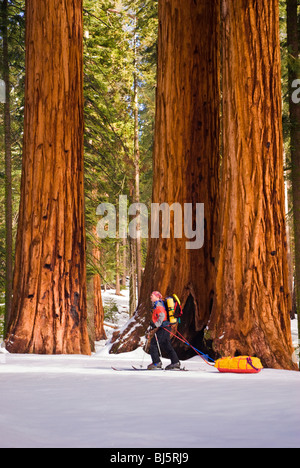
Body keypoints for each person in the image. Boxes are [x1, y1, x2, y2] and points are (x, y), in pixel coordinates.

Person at [147, 291, 180, 370]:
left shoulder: (158, 304)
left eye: (152, 295)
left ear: (157, 297)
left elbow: (162, 316)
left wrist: (156, 325)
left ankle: (156, 363)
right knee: (166, 345)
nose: (150, 296)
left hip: (164, 327)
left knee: (153, 343)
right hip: (165, 327)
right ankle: (175, 362)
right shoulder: (158, 304)